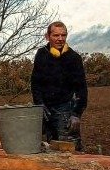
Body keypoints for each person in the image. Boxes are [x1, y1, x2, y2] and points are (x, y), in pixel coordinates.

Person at [30, 21, 87, 151]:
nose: (60, 39)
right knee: (52, 148)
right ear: (47, 36)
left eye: (63, 35)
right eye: (56, 35)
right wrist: (39, 104)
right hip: (46, 111)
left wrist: (76, 114)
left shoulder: (74, 58)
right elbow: (35, 82)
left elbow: (81, 88)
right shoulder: (41, 54)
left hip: (66, 109)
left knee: (70, 149)